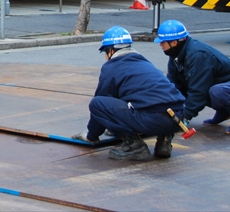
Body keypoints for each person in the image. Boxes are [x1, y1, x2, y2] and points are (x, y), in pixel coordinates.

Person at [72, 26, 186, 160]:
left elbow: (102, 102)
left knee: (97, 103)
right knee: (160, 103)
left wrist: (91, 135)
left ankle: (135, 146)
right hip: (178, 117)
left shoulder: (111, 67)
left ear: (111, 50)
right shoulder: (144, 61)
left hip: (153, 120)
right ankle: (164, 142)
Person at [156, 19, 230, 135]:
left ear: (174, 43)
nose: (160, 45)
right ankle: (223, 112)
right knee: (194, 87)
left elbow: (198, 91)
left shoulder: (198, 55)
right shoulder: (176, 55)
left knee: (217, 91)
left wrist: (185, 117)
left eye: (162, 42)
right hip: (217, 85)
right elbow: (174, 85)